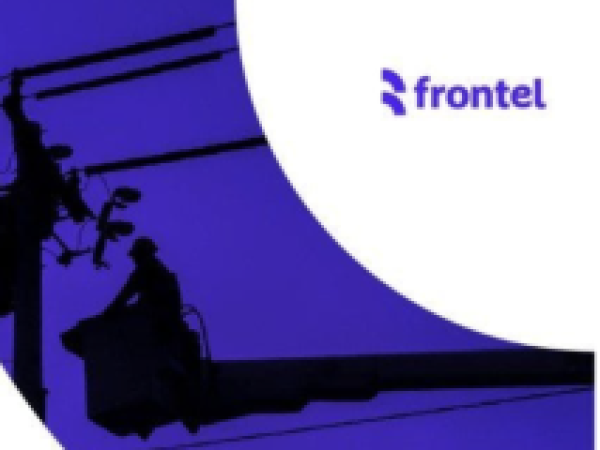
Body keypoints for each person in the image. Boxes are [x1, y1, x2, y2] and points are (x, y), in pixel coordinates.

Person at [103, 237, 184, 336]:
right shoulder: (161, 270)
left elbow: (125, 294)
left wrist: (108, 313)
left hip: (156, 315)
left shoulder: (146, 269)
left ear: (141, 253)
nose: (135, 260)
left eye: (136, 256)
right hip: (165, 315)